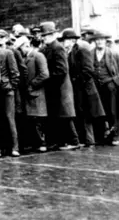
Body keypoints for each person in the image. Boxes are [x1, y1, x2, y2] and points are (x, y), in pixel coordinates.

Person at [60, 28, 105, 148]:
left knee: (86, 114)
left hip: (85, 88)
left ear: (73, 40)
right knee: (81, 113)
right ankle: (85, 140)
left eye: (66, 40)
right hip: (77, 88)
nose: (65, 43)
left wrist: (77, 80)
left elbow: (88, 70)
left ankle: (89, 140)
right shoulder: (69, 52)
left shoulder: (81, 50)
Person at [38, 22, 79, 151]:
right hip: (54, 87)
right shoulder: (47, 48)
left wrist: (50, 82)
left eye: (47, 35)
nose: (44, 37)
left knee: (65, 115)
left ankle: (74, 140)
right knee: (57, 115)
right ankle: (60, 141)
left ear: (53, 34)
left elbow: (62, 70)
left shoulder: (57, 48)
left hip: (60, 87)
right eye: (43, 35)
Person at [14, 36, 49, 152]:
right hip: (30, 94)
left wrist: (32, 85)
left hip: (37, 93)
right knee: (32, 120)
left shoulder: (38, 56)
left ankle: (42, 143)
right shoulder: (26, 57)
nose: (20, 51)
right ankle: (36, 144)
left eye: (20, 48)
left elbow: (44, 74)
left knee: (38, 120)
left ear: (26, 46)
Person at [91, 30, 119, 145]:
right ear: (94, 41)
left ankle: (116, 136)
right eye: (97, 40)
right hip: (97, 88)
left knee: (113, 111)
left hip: (111, 88)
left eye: (101, 40)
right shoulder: (91, 53)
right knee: (100, 112)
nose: (99, 42)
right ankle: (103, 135)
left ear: (105, 41)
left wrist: (115, 83)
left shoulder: (114, 54)